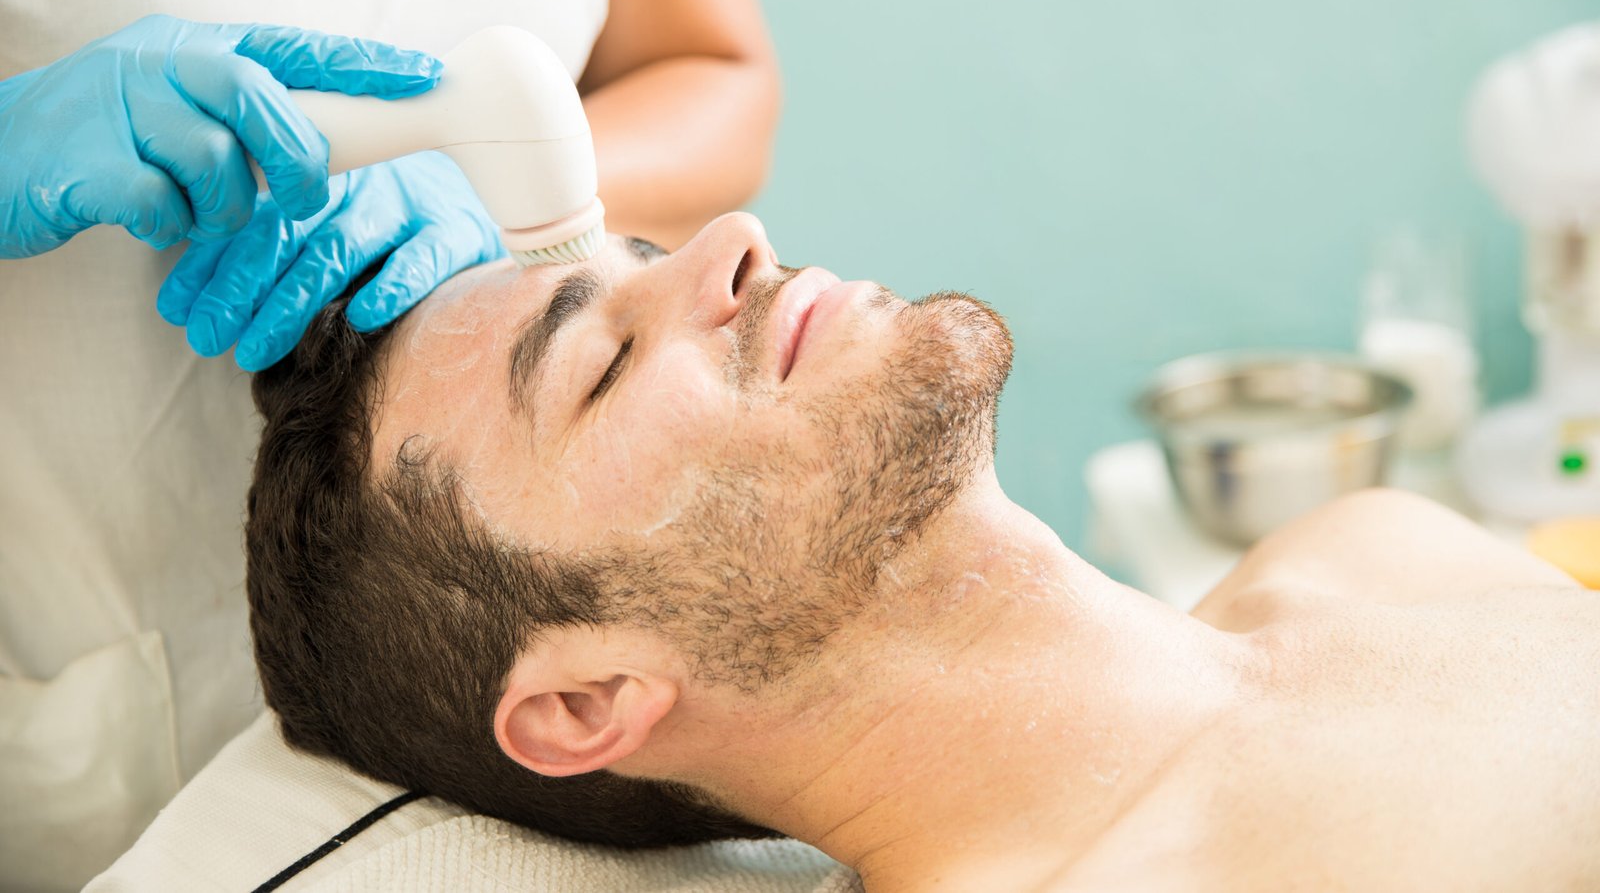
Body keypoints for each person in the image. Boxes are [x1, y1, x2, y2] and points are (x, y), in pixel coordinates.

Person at [244, 211, 1600, 892]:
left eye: (647, 250)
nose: (732, 239)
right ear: (589, 697)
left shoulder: (1381, 548)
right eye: (600, 360)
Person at [0, 0, 778, 886]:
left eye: (604, 352)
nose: (747, 255)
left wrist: (502, 182)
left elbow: (711, 66)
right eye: (593, 364)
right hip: (65, 600)